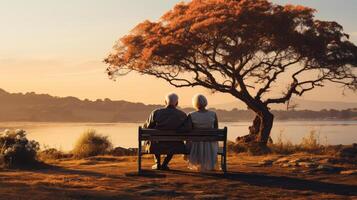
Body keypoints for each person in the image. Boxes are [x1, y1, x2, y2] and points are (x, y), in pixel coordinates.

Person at [143, 93, 187, 170]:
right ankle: (164, 164)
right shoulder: (182, 115)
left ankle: (157, 163)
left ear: (165, 102)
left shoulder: (156, 113)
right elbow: (186, 129)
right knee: (173, 142)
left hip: (157, 144)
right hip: (175, 146)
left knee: (154, 140)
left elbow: (146, 127)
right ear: (177, 103)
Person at [186, 94, 219, 171]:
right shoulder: (213, 114)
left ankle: (198, 164)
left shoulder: (191, 115)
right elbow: (216, 129)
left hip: (196, 144)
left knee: (190, 142)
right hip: (210, 143)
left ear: (195, 103)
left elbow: (188, 130)